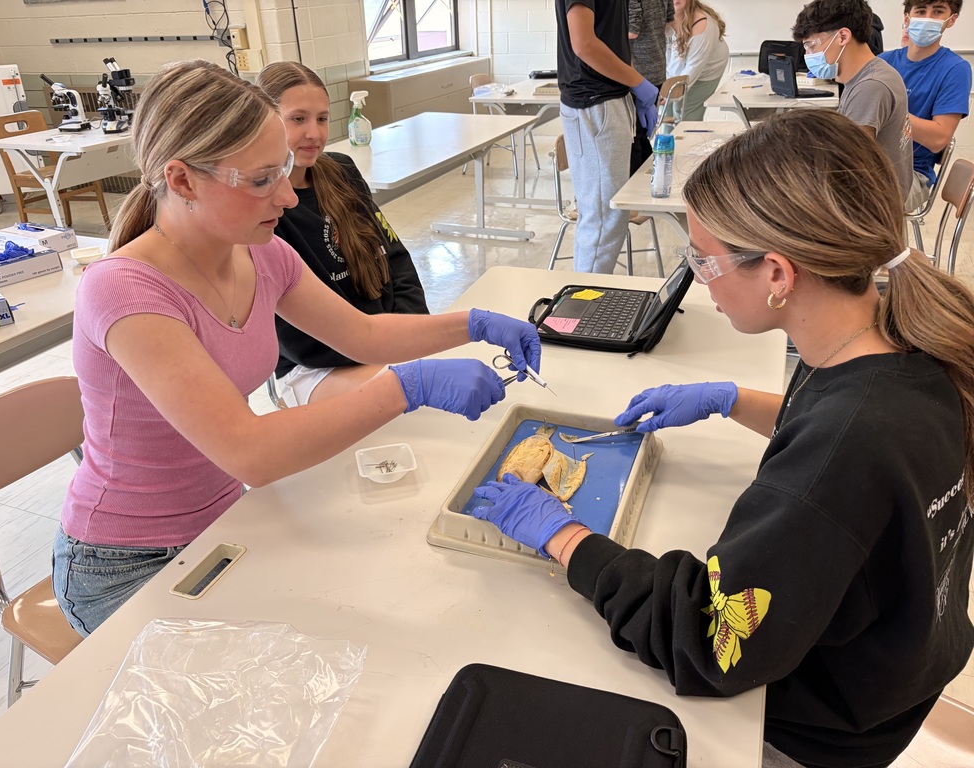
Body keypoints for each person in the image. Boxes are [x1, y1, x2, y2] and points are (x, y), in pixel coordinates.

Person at [470, 109, 974, 767]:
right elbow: (843, 442)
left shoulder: (843, 452)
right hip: (887, 670)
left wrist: (562, 536)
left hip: (815, 732)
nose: (700, 281)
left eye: (702, 261)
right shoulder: (895, 339)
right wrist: (731, 400)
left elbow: (709, 641)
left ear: (776, 274)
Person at [52, 59, 542, 637]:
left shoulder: (259, 253)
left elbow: (362, 334)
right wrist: (409, 387)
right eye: (261, 180)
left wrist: (475, 324)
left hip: (225, 522)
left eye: (284, 169)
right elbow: (250, 451)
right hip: (127, 562)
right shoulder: (124, 290)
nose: (287, 196)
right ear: (182, 180)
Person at [254, 61, 429, 407]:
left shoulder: (342, 170)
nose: (314, 134)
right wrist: (387, 354)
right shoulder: (263, 210)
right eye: (298, 119)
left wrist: (410, 334)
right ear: (264, 123)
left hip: (381, 343)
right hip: (315, 365)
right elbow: (298, 339)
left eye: (321, 118)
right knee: (414, 397)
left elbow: (395, 259)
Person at [557, 0, 659, 274]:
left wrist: (633, 82)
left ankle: (590, 303)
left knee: (609, 215)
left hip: (610, 99)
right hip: (594, 103)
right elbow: (584, 44)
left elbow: (614, 41)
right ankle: (584, 308)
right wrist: (638, 83)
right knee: (603, 218)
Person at [793, 0, 919, 211]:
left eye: (811, 46)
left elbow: (847, 167)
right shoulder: (871, 72)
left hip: (873, 205)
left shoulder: (870, 87)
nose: (808, 56)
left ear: (842, 36)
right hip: (877, 192)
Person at [880, 0, 971, 212]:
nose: (928, 17)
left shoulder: (955, 69)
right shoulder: (883, 62)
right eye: (921, 11)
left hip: (911, 173)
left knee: (853, 206)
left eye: (938, 12)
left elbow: (939, 139)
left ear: (951, 20)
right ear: (907, 18)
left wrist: (891, 112)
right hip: (869, 163)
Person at [628, 0, 675, 174]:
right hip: (656, 68)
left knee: (634, 139)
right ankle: (648, 181)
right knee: (642, 136)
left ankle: (636, 189)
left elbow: (632, 32)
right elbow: (668, 20)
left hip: (637, 74)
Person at [664, 0, 730, 121]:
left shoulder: (702, 25)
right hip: (680, 68)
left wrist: (670, 94)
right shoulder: (657, 17)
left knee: (684, 113)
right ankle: (666, 139)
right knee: (666, 111)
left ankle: (686, 139)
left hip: (706, 71)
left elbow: (692, 69)